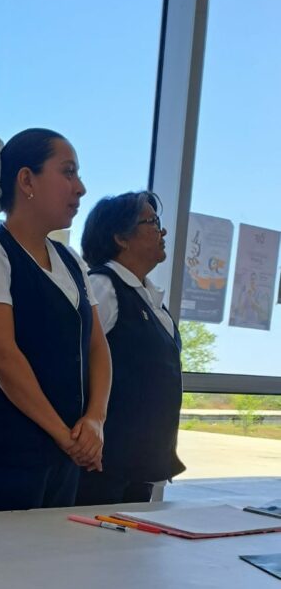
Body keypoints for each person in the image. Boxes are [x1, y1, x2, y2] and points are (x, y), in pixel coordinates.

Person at [0, 129, 111, 511]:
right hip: (10, 457)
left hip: (65, 456)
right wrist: (65, 435)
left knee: (53, 566)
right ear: (27, 180)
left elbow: (97, 347)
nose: (81, 188)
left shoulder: (71, 261)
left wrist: (94, 421)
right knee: (1, 568)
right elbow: (2, 357)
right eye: (68, 172)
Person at [75, 191, 184, 505]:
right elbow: (74, 362)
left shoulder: (152, 300)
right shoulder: (103, 287)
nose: (162, 231)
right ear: (121, 237)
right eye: (152, 222)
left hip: (139, 467)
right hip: (101, 467)